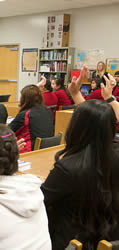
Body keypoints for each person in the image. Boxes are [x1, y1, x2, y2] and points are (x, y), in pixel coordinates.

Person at [41, 66, 119, 250]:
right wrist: (107, 98)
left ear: (75, 128)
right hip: (107, 235)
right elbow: (96, 120)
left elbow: (40, 200)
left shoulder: (68, 167)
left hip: (71, 241)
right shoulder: (114, 156)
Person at [9, 85, 54, 153]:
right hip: (46, 151)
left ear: (24, 99)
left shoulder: (25, 115)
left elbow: (8, 133)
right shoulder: (48, 110)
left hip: (28, 151)